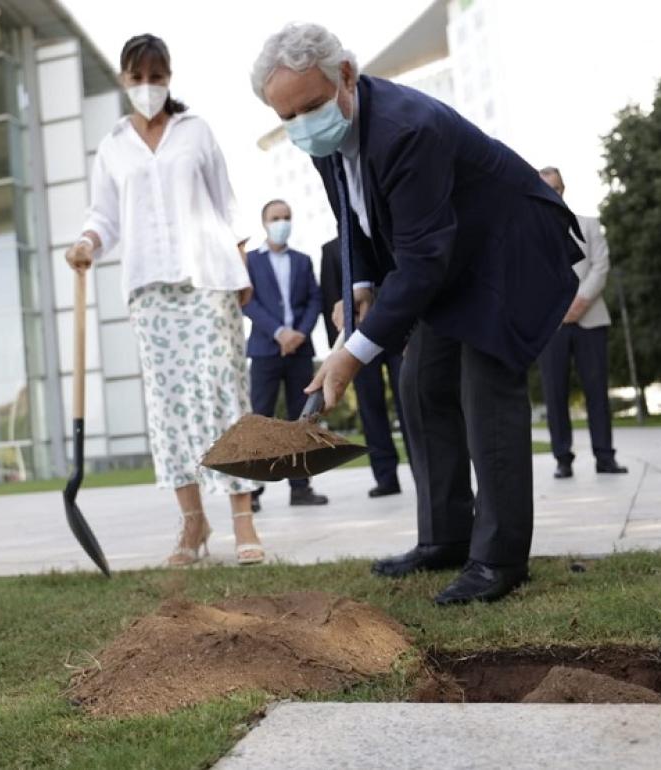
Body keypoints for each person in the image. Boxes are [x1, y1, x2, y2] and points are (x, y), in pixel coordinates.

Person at [251, 24, 581, 604]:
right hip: (448, 259)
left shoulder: (408, 129)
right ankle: (445, 538)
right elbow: (352, 212)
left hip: (504, 254)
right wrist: (359, 281)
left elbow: (426, 259)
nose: (301, 124)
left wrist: (349, 356)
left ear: (346, 77)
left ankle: (498, 560)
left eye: (310, 107)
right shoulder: (323, 139)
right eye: (288, 117)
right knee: (421, 384)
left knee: (485, 394)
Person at [67, 34, 264, 567]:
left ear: (170, 77)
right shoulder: (112, 145)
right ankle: (192, 524)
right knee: (169, 406)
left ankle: (243, 521)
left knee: (224, 397)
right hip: (150, 289)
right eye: (138, 78)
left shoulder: (195, 132)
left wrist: (243, 265)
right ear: (123, 80)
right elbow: (103, 215)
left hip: (207, 280)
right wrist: (87, 243)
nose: (148, 87)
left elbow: (228, 203)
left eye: (157, 77)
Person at [536, 168, 628, 479]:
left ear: (564, 188)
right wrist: (559, 309)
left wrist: (580, 301)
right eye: (546, 188)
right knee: (554, 392)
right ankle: (563, 458)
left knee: (597, 391)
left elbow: (601, 265)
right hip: (551, 325)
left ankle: (605, 456)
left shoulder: (588, 224)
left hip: (591, 318)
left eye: (557, 187)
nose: (553, 193)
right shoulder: (531, 231)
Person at [243, 199, 329, 508]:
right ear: (264, 222)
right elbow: (247, 302)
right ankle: (252, 491)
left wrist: (299, 334)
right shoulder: (251, 260)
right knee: (260, 419)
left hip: (300, 351)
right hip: (266, 349)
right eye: (276, 217)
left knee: (301, 419)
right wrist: (279, 333)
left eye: (287, 217)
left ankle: (301, 488)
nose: (282, 222)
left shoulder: (303, 261)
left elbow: (315, 300)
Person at [321, 236, 408, 497]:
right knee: (370, 409)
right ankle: (386, 477)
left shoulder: (389, 235)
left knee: (408, 400)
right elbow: (329, 295)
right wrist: (338, 350)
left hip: (398, 334)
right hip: (357, 340)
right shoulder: (333, 249)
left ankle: (422, 469)